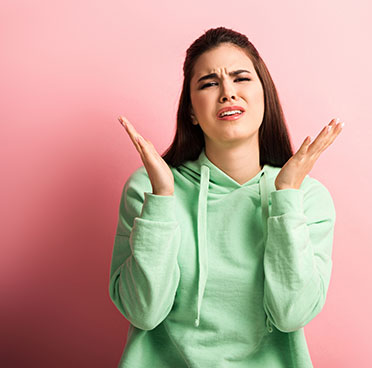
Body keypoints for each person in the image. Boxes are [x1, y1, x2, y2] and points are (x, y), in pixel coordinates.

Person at [108, 26, 344, 367]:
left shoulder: (307, 197)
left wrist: (286, 197)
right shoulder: (149, 189)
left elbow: (291, 314)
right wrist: (161, 200)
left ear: (265, 95)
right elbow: (143, 312)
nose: (227, 93)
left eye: (241, 78)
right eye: (209, 83)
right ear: (191, 110)